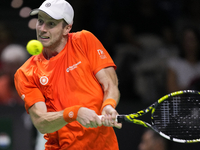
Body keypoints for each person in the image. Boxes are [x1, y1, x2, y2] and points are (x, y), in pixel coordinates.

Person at [14, 0, 122, 149]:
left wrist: (109, 105)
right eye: (40, 21)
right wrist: (74, 113)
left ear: (67, 28)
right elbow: (41, 121)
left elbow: (110, 83)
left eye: (51, 24)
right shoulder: (26, 73)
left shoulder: (85, 40)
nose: (42, 29)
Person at [166, 26, 200, 93]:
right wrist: (191, 88)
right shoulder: (174, 63)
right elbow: (172, 91)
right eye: (185, 40)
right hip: (183, 102)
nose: (188, 44)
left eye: (191, 40)